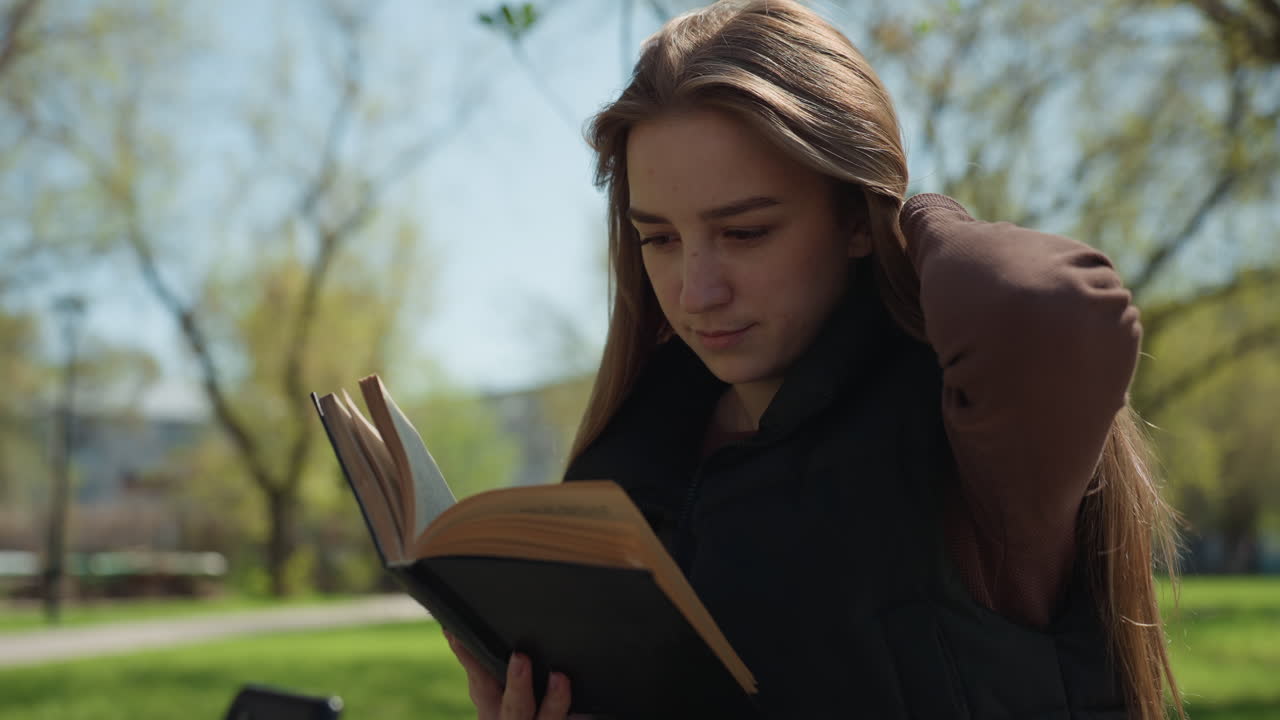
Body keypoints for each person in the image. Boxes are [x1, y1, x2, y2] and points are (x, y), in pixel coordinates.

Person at [445, 1, 1185, 718]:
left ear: (855, 217)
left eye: (746, 233)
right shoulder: (630, 471)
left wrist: (918, 215)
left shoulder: (967, 437)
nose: (697, 292)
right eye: (660, 239)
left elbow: (1045, 305)